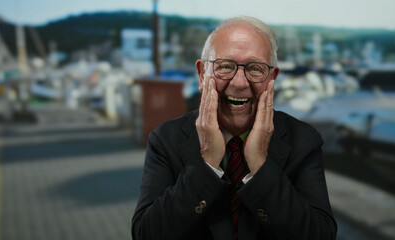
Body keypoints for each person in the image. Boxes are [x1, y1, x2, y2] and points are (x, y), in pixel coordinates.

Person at [132, 16, 337, 240]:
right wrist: (207, 163)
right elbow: (146, 234)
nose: (240, 83)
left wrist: (260, 164)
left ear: (272, 78)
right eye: (226, 67)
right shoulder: (165, 140)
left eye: (255, 69)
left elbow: (321, 235)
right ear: (202, 74)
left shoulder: (304, 141)